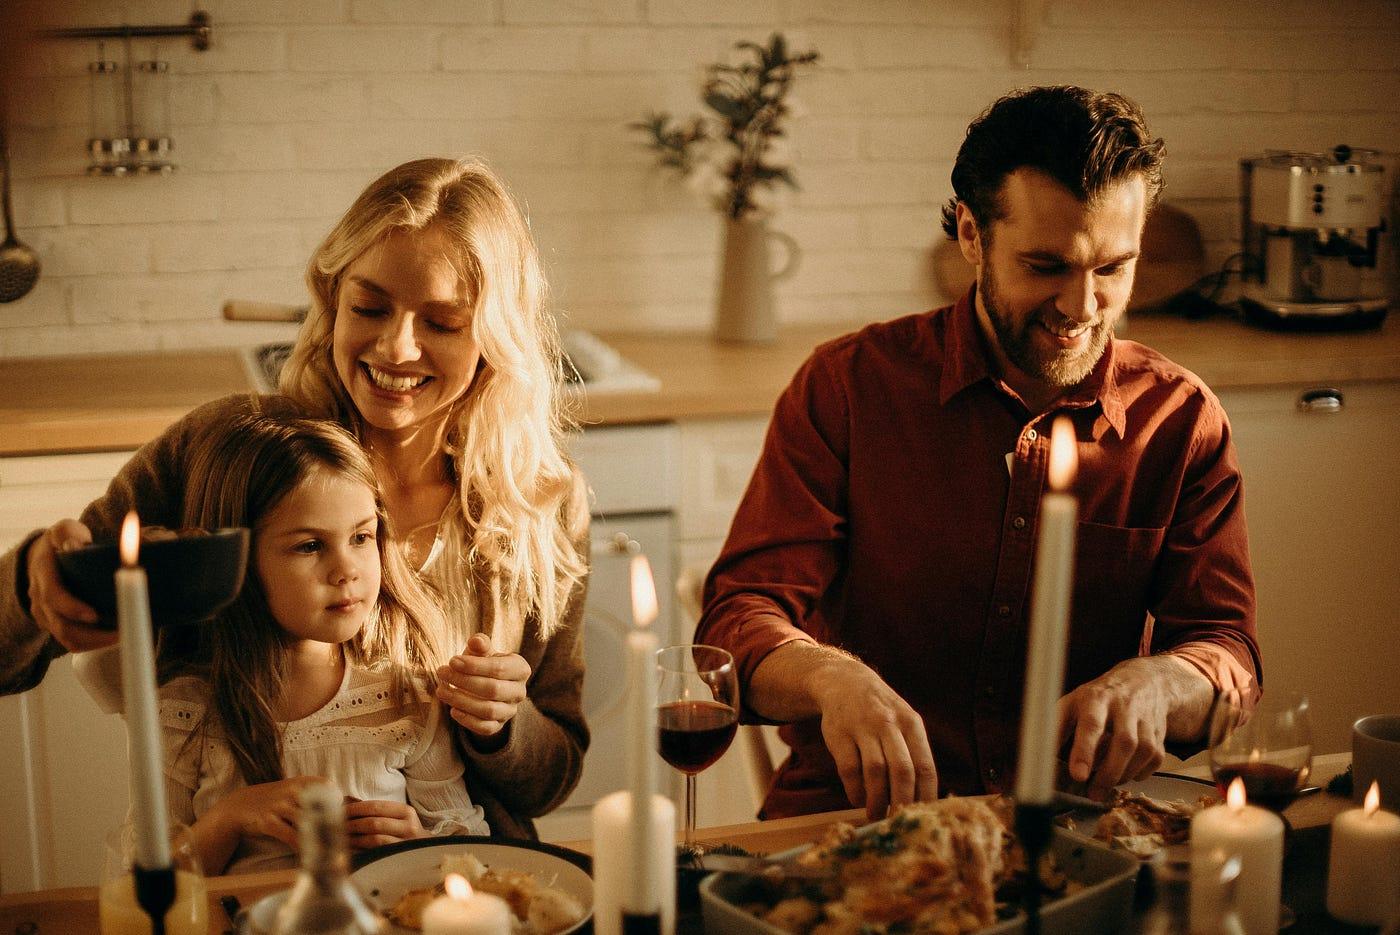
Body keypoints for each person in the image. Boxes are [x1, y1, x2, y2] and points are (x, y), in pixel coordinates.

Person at [695, 86, 1261, 821]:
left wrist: (1161, 681)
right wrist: (831, 678)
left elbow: (1228, 652)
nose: (1081, 306)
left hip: (1073, 832)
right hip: (861, 823)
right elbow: (740, 617)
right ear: (970, 233)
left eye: (1113, 269)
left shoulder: (1180, 422)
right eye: (1046, 265)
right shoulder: (848, 388)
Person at [0, 158, 590, 838]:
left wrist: (503, 725)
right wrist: (33, 582)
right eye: (369, 307)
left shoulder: (538, 502)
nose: (398, 346)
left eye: (443, 322)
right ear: (332, 298)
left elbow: (552, 778)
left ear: (494, 335)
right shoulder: (231, 452)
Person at [146, 412, 489, 875]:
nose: (346, 569)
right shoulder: (187, 711)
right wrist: (228, 819)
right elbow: (146, 886)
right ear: (237, 562)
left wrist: (417, 847)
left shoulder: (407, 695)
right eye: (310, 546)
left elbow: (466, 848)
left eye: (361, 537)